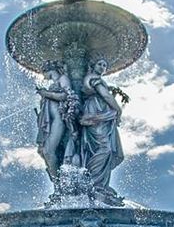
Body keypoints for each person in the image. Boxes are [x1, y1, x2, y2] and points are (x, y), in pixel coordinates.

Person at [78, 58, 125, 204]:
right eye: (100, 64)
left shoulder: (95, 79)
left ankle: (99, 184)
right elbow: (105, 95)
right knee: (105, 148)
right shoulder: (92, 78)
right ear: (92, 65)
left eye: (105, 65)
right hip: (95, 113)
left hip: (100, 112)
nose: (103, 67)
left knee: (106, 149)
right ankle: (92, 182)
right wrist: (118, 109)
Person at [35, 60, 79, 181]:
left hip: (58, 121)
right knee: (44, 151)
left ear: (47, 70)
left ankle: (58, 183)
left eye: (42, 72)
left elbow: (66, 95)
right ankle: (58, 184)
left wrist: (46, 94)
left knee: (48, 151)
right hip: (51, 121)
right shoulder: (53, 83)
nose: (43, 76)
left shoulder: (63, 78)